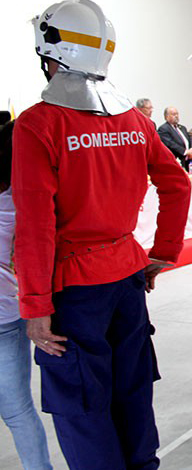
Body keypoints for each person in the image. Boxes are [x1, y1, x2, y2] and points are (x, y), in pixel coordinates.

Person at [16, 0, 191, 469]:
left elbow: (35, 224)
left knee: (82, 405)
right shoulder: (134, 121)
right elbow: (176, 184)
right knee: (132, 390)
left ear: (51, 55)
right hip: (127, 277)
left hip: (74, 290)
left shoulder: (38, 124)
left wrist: (34, 306)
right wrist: (164, 251)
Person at [0, 121, 53, 470]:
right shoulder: (22, 200)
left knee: (18, 411)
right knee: (18, 411)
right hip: (9, 312)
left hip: (8, 316)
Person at [158, 106, 192, 171]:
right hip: (176, 160)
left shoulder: (182, 128)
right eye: (173, 114)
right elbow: (170, 144)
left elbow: (190, 139)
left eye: (177, 114)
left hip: (188, 160)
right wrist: (185, 152)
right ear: (166, 116)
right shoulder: (163, 129)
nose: (176, 116)